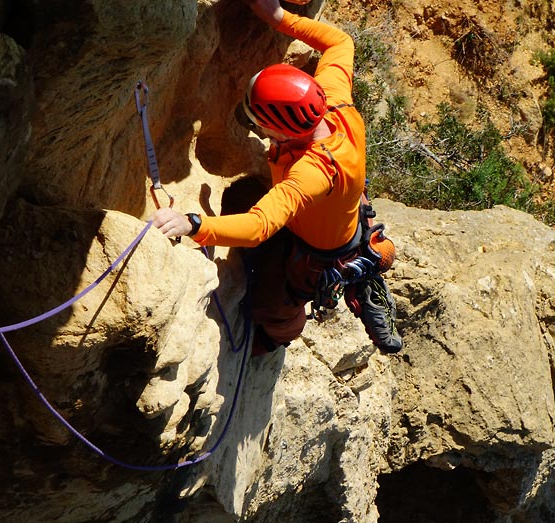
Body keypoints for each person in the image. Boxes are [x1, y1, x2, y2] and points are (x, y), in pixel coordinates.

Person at [153, 0, 401, 355]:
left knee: (272, 308)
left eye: (258, 121)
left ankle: (281, 334)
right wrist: (279, 18)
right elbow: (340, 43)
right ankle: (361, 272)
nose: (251, 123)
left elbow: (258, 227)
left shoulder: (312, 172)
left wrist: (192, 223)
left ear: (281, 131)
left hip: (316, 250)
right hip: (339, 215)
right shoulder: (334, 104)